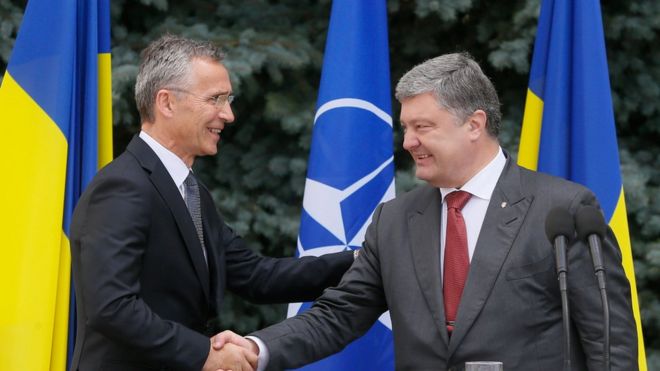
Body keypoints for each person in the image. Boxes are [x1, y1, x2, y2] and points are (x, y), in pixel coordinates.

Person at [215, 52, 639, 370]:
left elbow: (609, 341)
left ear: (474, 125)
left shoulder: (561, 210)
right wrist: (256, 349)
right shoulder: (394, 220)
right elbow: (340, 314)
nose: (408, 142)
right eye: (406, 128)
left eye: (423, 127)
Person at [69, 35, 355, 371]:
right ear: (166, 103)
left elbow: (256, 277)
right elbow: (112, 307)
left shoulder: (192, 192)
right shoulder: (122, 187)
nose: (229, 114)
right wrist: (203, 352)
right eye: (215, 99)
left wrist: (364, 260)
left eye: (228, 99)